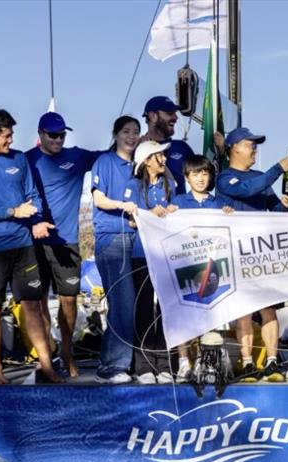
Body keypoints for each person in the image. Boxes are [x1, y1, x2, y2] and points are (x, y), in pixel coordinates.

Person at [0, 109, 61, 384]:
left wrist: (37, 220)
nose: (10, 140)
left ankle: (47, 365)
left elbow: (33, 196)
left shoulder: (19, 159)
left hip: (23, 245)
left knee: (32, 305)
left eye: (11, 134)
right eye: (5, 135)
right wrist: (12, 211)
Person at [26, 112, 105, 378]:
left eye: (62, 134)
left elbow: (110, 155)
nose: (58, 139)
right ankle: (47, 350)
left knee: (69, 299)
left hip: (67, 239)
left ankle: (67, 350)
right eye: (53, 135)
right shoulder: (27, 159)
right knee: (37, 301)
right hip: (34, 240)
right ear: (40, 134)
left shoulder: (77, 156)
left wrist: (138, 139)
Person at [216, 127, 288, 382]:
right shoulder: (224, 179)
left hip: (262, 254)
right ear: (234, 147)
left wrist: (286, 203)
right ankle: (247, 361)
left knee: (268, 309)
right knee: (244, 310)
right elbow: (247, 190)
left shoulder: (261, 177)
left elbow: (276, 210)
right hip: (235, 254)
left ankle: (272, 361)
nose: (255, 148)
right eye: (250, 144)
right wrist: (278, 169)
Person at [171, 155, 234, 381]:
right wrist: (164, 216)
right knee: (183, 315)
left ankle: (204, 361)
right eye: (195, 174)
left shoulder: (218, 204)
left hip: (211, 269)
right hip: (185, 268)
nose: (200, 178)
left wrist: (229, 217)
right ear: (187, 177)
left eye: (205, 173)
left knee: (210, 315)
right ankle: (183, 361)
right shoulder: (178, 203)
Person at [90, 116, 141, 384]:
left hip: (139, 240)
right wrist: (123, 206)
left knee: (139, 304)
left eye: (135, 132)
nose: (131, 137)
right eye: (126, 132)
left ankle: (134, 364)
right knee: (122, 304)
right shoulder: (105, 162)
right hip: (113, 239)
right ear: (115, 133)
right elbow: (98, 198)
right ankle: (110, 367)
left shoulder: (140, 164)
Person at [126, 140, 178, 384]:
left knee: (167, 309)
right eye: (159, 156)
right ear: (147, 160)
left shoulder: (171, 185)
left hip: (167, 254)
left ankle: (166, 363)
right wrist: (150, 215)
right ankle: (144, 366)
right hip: (142, 254)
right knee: (144, 308)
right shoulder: (134, 185)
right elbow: (132, 220)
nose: (165, 159)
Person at [141, 96, 194, 194]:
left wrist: (220, 151)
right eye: (170, 113)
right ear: (153, 116)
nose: (175, 117)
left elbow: (208, 182)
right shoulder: (136, 149)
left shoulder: (182, 147)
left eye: (175, 113)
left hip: (178, 208)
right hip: (146, 208)